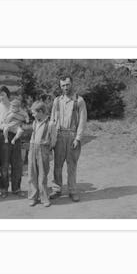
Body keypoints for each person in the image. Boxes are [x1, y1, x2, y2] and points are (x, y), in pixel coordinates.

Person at [49, 74, 87, 202]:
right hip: (59, 136)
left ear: (72, 84)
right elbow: (52, 120)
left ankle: (72, 190)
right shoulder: (57, 101)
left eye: (67, 84)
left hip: (72, 136)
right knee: (57, 165)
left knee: (72, 165)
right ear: (60, 86)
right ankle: (57, 189)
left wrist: (78, 138)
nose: (65, 87)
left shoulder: (79, 101)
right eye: (63, 85)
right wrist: (51, 137)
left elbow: (82, 121)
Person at [0, 85, 24, 198]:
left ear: (7, 94)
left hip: (15, 136)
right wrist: (5, 127)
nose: (1, 97)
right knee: (4, 164)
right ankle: (4, 189)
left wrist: (17, 126)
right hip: (3, 136)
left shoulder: (14, 105)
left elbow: (21, 117)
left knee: (17, 164)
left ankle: (16, 188)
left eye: (2, 94)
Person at [28, 102, 57, 207]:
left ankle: (44, 198)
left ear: (40, 112)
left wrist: (46, 150)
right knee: (32, 175)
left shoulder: (50, 124)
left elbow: (53, 140)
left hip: (43, 151)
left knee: (42, 175)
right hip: (32, 149)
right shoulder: (35, 122)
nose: (32, 115)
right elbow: (33, 136)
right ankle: (33, 197)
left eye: (34, 113)